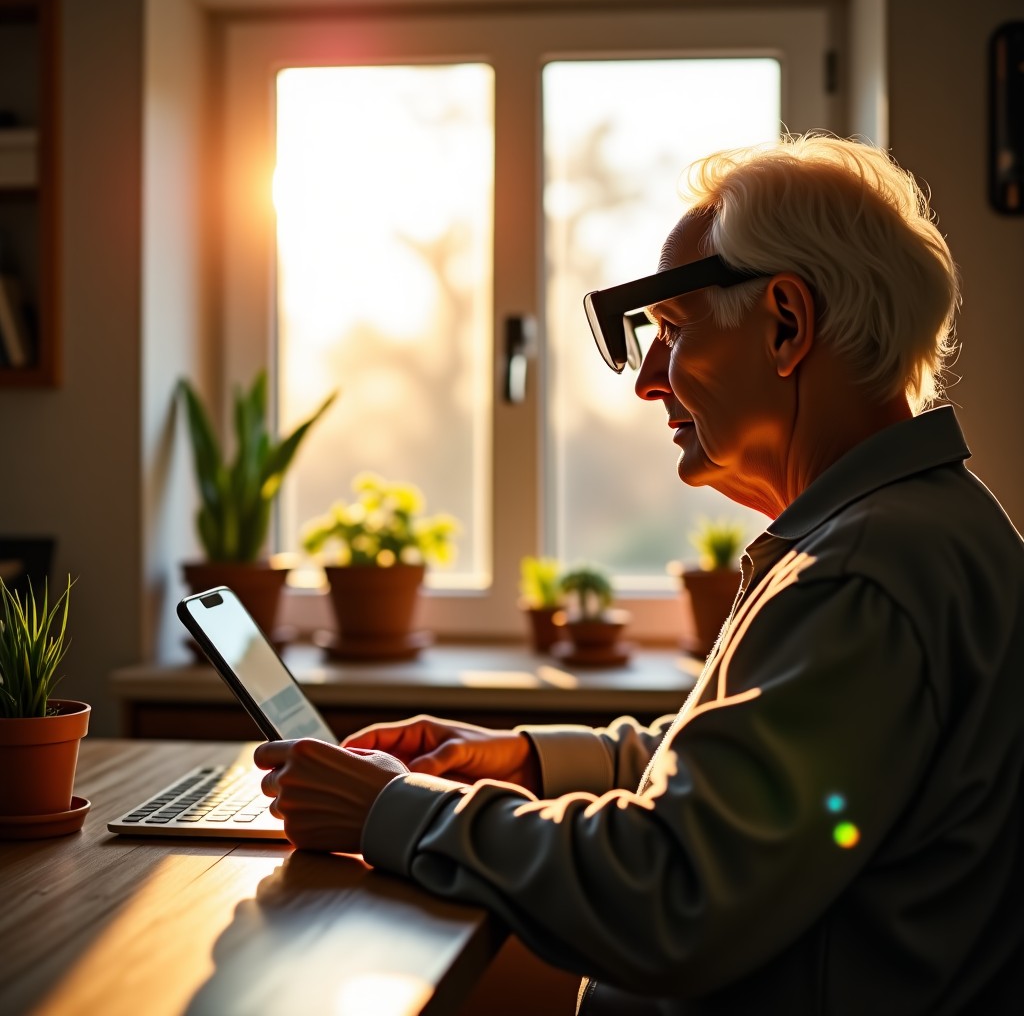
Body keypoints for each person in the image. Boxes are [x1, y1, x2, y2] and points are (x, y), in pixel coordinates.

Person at [255, 133, 1024, 1014]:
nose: (647, 380)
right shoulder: (914, 531)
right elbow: (763, 781)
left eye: (670, 330)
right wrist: (532, 762)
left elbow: (678, 888)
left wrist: (395, 813)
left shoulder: (860, 573)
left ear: (785, 323)